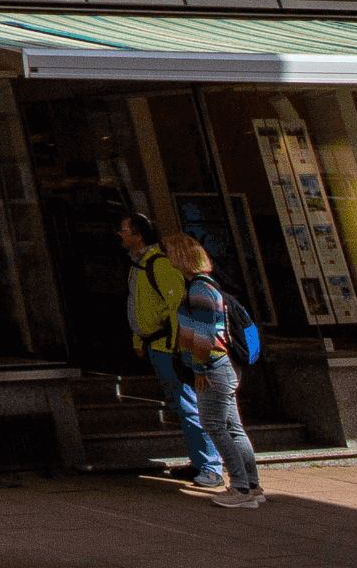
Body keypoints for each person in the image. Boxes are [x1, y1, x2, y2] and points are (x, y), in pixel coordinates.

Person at [121, 212, 223, 487]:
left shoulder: (158, 264)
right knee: (181, 405)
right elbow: (139, 306)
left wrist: (182, 350)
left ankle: (211, 468)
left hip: (169, 348)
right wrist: (139, 340)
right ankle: (200, 461)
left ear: (138, 234)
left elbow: (179, 308)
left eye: (124, 229)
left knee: (189, 406)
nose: (120, 234)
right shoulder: (138, 265)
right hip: (156, 345)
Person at [170, 234, 264, 508]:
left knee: (215, 426)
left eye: (172, 253)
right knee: (234, 428)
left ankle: (241, 489)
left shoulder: (198, 290)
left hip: (213, 367)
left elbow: (205, 335)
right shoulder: (208, 286)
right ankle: (252, 485)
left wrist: (199, 367)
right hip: (222, 366)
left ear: (182, 258)